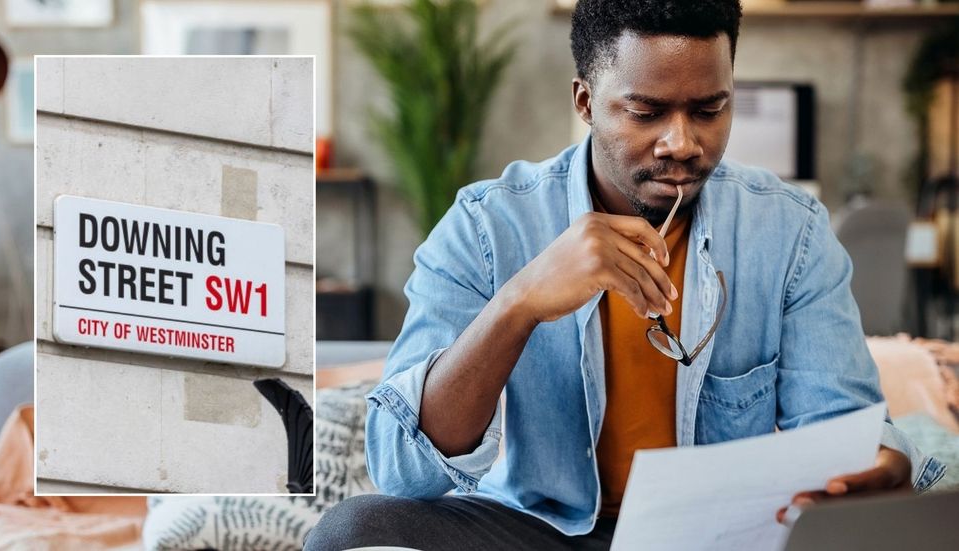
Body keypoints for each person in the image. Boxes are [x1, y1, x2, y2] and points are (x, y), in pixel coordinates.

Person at [305, 1, 945, 549]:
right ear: (586, 100)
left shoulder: (790, 231)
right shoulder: (486, 225)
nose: (682, 143)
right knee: (353, 531)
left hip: (717, 536)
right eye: (646, 112)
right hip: (542, 531)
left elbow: (838, 426)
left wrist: (874, 462)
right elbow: (400, 468)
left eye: (708, 109)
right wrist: (521, 302)